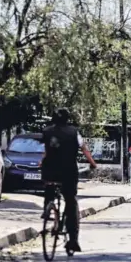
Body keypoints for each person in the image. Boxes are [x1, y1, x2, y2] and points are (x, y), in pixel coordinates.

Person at [41, 108, 97, 253]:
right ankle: (73, 240)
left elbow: (46, 151)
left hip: (50, 171)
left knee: (49, 185)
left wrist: (42, 162)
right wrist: (92, 163)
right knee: (71, 201)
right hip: (68, 172)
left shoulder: (47, 131)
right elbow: (84, 149)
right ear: (67, 119)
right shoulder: (74, 132)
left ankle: (47, 207)